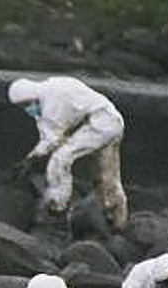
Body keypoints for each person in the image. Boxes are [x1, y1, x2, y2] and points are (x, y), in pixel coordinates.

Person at [8, 76, 128, 231]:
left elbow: (53, 139)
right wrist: (31, 157)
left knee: (60, 159)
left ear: (31, 96)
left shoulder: (52, 100)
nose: (26, 109)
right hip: (110, 121)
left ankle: (58, 207)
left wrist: (31, 160)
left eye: (25, 104)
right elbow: (47, 137)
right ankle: (118, 221)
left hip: (100, 124)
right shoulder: (45, 95)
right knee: (106, 177)